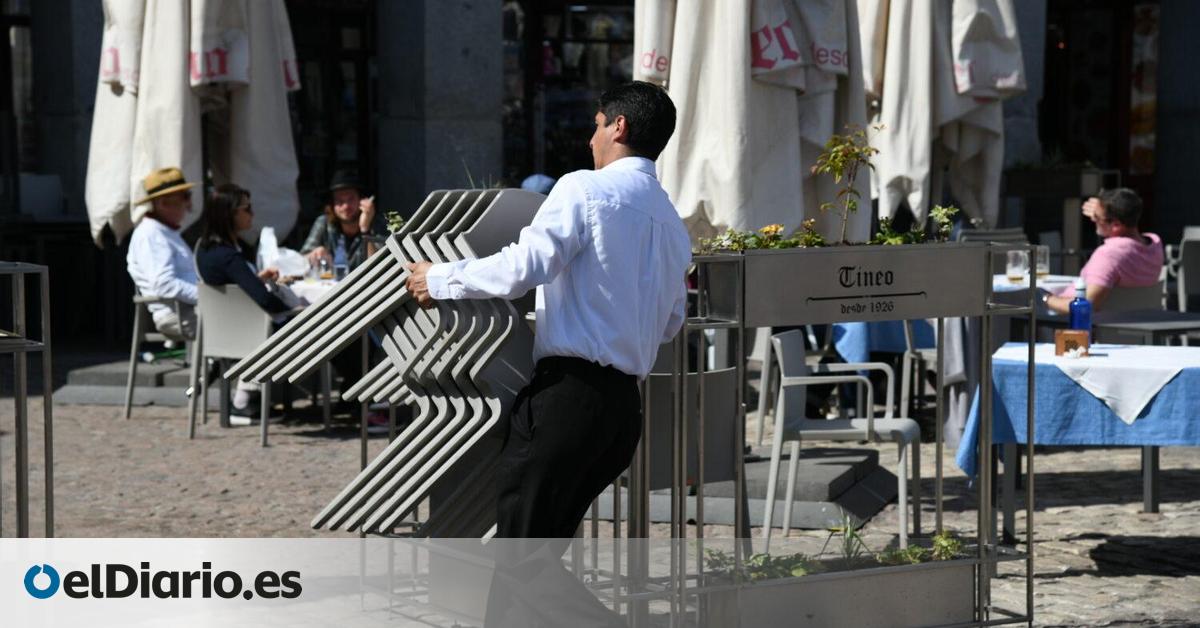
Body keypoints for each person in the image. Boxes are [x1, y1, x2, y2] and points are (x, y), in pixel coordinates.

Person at [406, 81, 690, 539]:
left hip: (568, 398)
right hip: (622, 412)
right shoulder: (673, 222)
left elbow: (525, 267)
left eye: (596, 126)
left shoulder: (584, 188)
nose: (590, 140)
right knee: (537, 556)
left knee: (521, 555)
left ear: (619, 127)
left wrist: (439, 278)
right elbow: (671, 323)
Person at [1044, 188, 1164, 313]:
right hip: (1134, 320)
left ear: (1116, 225)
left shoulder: (1108, 255)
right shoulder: (1154, 245)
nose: (1092, 219)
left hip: (1070, 320)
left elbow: (1086, 305)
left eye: (1097, 217)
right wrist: (1104, 210)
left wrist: (1045, 298)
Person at [126, 167, 200, 341]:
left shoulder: (165, 232)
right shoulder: (151, 234)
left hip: (190, 309)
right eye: (185, 196)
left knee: (245, 318)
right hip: (178, 314)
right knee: (245, 323)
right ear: (163, 203)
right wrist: (206, 297)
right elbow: (164, 284)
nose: (189, 203)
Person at [300, 169, 388, 273]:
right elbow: (300, 260)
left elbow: (379, 267)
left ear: (362, 200)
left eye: (351, 199)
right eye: (340, 201)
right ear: (332, 205)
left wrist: (365, 230)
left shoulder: (378, 223)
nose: (346, 206)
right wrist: (314, 254)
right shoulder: (323, 222)